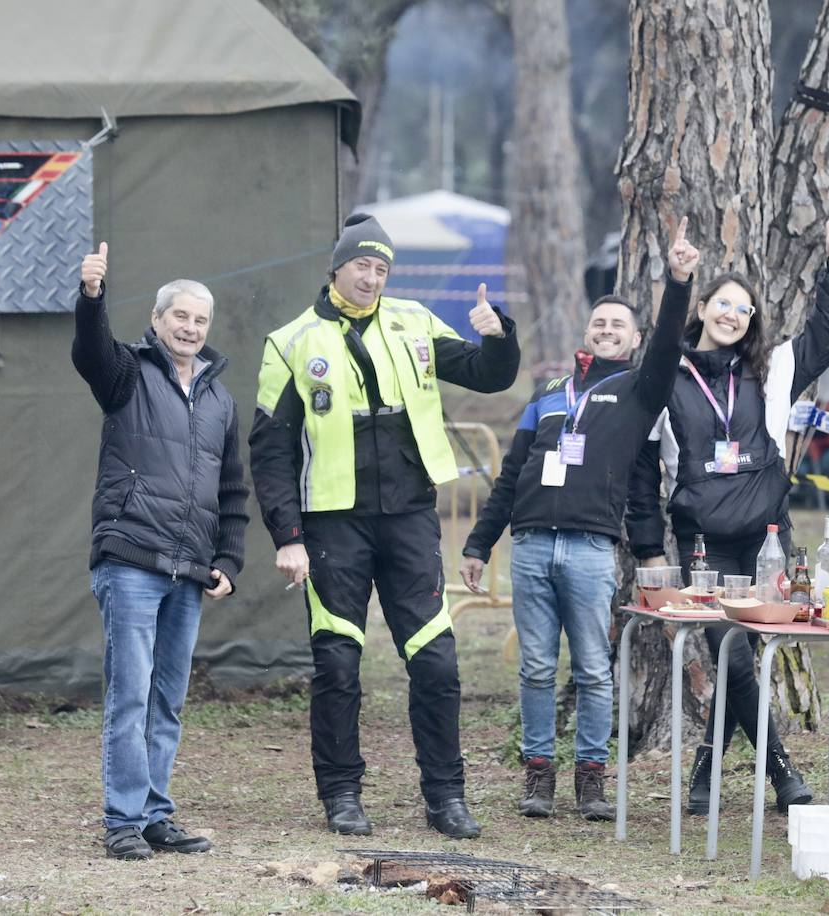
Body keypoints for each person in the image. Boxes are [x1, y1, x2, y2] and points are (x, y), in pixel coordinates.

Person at [248, 214, 519, 840]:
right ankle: (342, 794)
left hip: (409, 519)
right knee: (338, 665)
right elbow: (270, 450)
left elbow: (489, 373)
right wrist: (288, 534)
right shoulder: (289, 341)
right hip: (331, 525)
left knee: (437, 663)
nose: (371, 278)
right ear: (336, 267)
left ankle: (446, 797)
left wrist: (499, 335)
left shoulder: (415, 322)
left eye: (381, 269)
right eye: (361, 265)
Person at [459, 218, 698, 821]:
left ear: (634, 338)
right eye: (600, 322)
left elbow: (670, 342)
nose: (608, 329)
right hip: (533, 547)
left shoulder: (641, 390)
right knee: (537, 668)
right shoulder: (549, 394)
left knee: (593, 669)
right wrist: (478, 544)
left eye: (619, 324)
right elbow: (511, 476)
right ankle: (538, 775)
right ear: (587, 332)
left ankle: (591, 778)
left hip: (592, 552)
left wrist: (677, 281)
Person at [626, 221, 829, 816]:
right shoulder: (663, 375)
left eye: (744, 309)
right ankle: (781, 770)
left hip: (766, 541)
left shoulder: (772, 370)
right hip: (702, 543)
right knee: (729, 653)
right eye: (722, 303)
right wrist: (650, 548)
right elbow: (639, 470)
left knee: (740, 656)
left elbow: (827, 337)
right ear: (702, 308)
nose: (732, 314)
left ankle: (707, 764)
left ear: (752, 321)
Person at [71, 243, 250, 861]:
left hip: (189, 571)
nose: (190, 328)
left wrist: (227, 561)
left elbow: (232, 490)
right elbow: (88, 354)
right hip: (131, 561)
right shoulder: (127, 371)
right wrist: (91, 298)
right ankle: (122, 820)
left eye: (200, 320)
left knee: (166, 698)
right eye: (180, 316)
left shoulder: (220, 401)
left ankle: (154, 815)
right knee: (130, 693)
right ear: (157, 319)